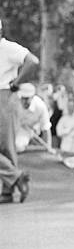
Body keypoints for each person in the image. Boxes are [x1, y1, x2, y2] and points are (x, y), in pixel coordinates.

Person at [0, 18, 39, 203]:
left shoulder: (8, 47)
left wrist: (17, 82)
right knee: (5, 146)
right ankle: (13, 181)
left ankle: (12, 183)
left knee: (6, 145)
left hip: (5, 95)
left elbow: (32, 61)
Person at [15, 83, 52, 153]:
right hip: (13, 129)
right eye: (22, 98)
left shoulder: (41, 106)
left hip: (28, 133)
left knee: (18, 146)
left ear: (32, 97)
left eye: (26, 99)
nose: (23, 101)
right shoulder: (14, 102)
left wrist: (48, 147)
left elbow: (46, 128)